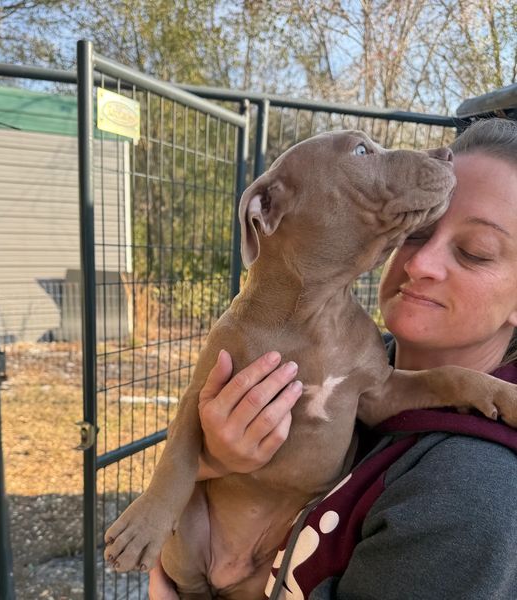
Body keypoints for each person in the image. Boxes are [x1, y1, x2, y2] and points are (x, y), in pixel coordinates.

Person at [148, 117, 517, 599]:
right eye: (415, 232)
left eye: (475, 252)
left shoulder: (471, 493)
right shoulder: (358, 353)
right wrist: (211, 461)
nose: (420, 264)